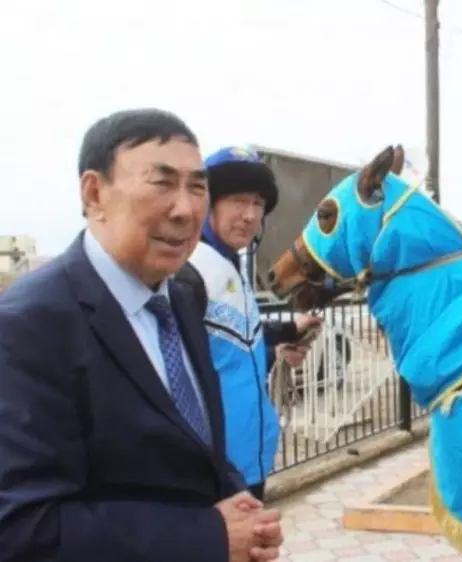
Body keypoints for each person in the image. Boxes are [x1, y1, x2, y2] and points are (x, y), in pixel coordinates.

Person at [0, 108, 284, 561]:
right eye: (162, 183)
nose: (185, 210)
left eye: (197, 187)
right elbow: (23, 528)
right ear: (95, 193)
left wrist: (239, 500)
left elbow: (195, 437)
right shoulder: (28, 326)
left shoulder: (182, 294)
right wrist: (209, 536)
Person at [173, 145, 321, 502]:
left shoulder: (230, 266)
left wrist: (279, 346)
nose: (250, 215)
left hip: (248, 463)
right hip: (213, 473)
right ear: (207, 203)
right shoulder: (187, 274)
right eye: (238, 201)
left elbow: (229, 350)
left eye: (258, 204)